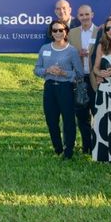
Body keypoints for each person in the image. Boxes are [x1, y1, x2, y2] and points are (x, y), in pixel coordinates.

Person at [34, 20, 83, 159]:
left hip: (65, 88)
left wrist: (64, 73)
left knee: (68, 120)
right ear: (51, 33)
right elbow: (36, 70)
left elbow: (79, 73)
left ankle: (69, 151)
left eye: (60, 30)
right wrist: (47, 70)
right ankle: (58, 149)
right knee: (51, 120)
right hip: (49, 88)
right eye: (54, 30)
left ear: (66, 31)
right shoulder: (45, 49)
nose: (58, 33)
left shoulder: (72, 50)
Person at [90, 16, 111, 164]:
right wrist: (100, 73)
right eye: (107, 28)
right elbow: (95, 68)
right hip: (103, 89)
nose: (110, 31)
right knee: (101, 122)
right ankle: (102, 156)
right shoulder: (101, 46)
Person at [69, 4, 97, 154]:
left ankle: (99, 147)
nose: (85, 17)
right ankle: (87, 147)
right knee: (82, 115)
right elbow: (67, 55)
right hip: (79, 79)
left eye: (87, 14)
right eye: (81, 15)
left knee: (98, 114)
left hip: (96, 79)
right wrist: (77, 55)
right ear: (78, 17)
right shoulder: (72, 33)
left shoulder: (101, 32)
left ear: (92, 14)